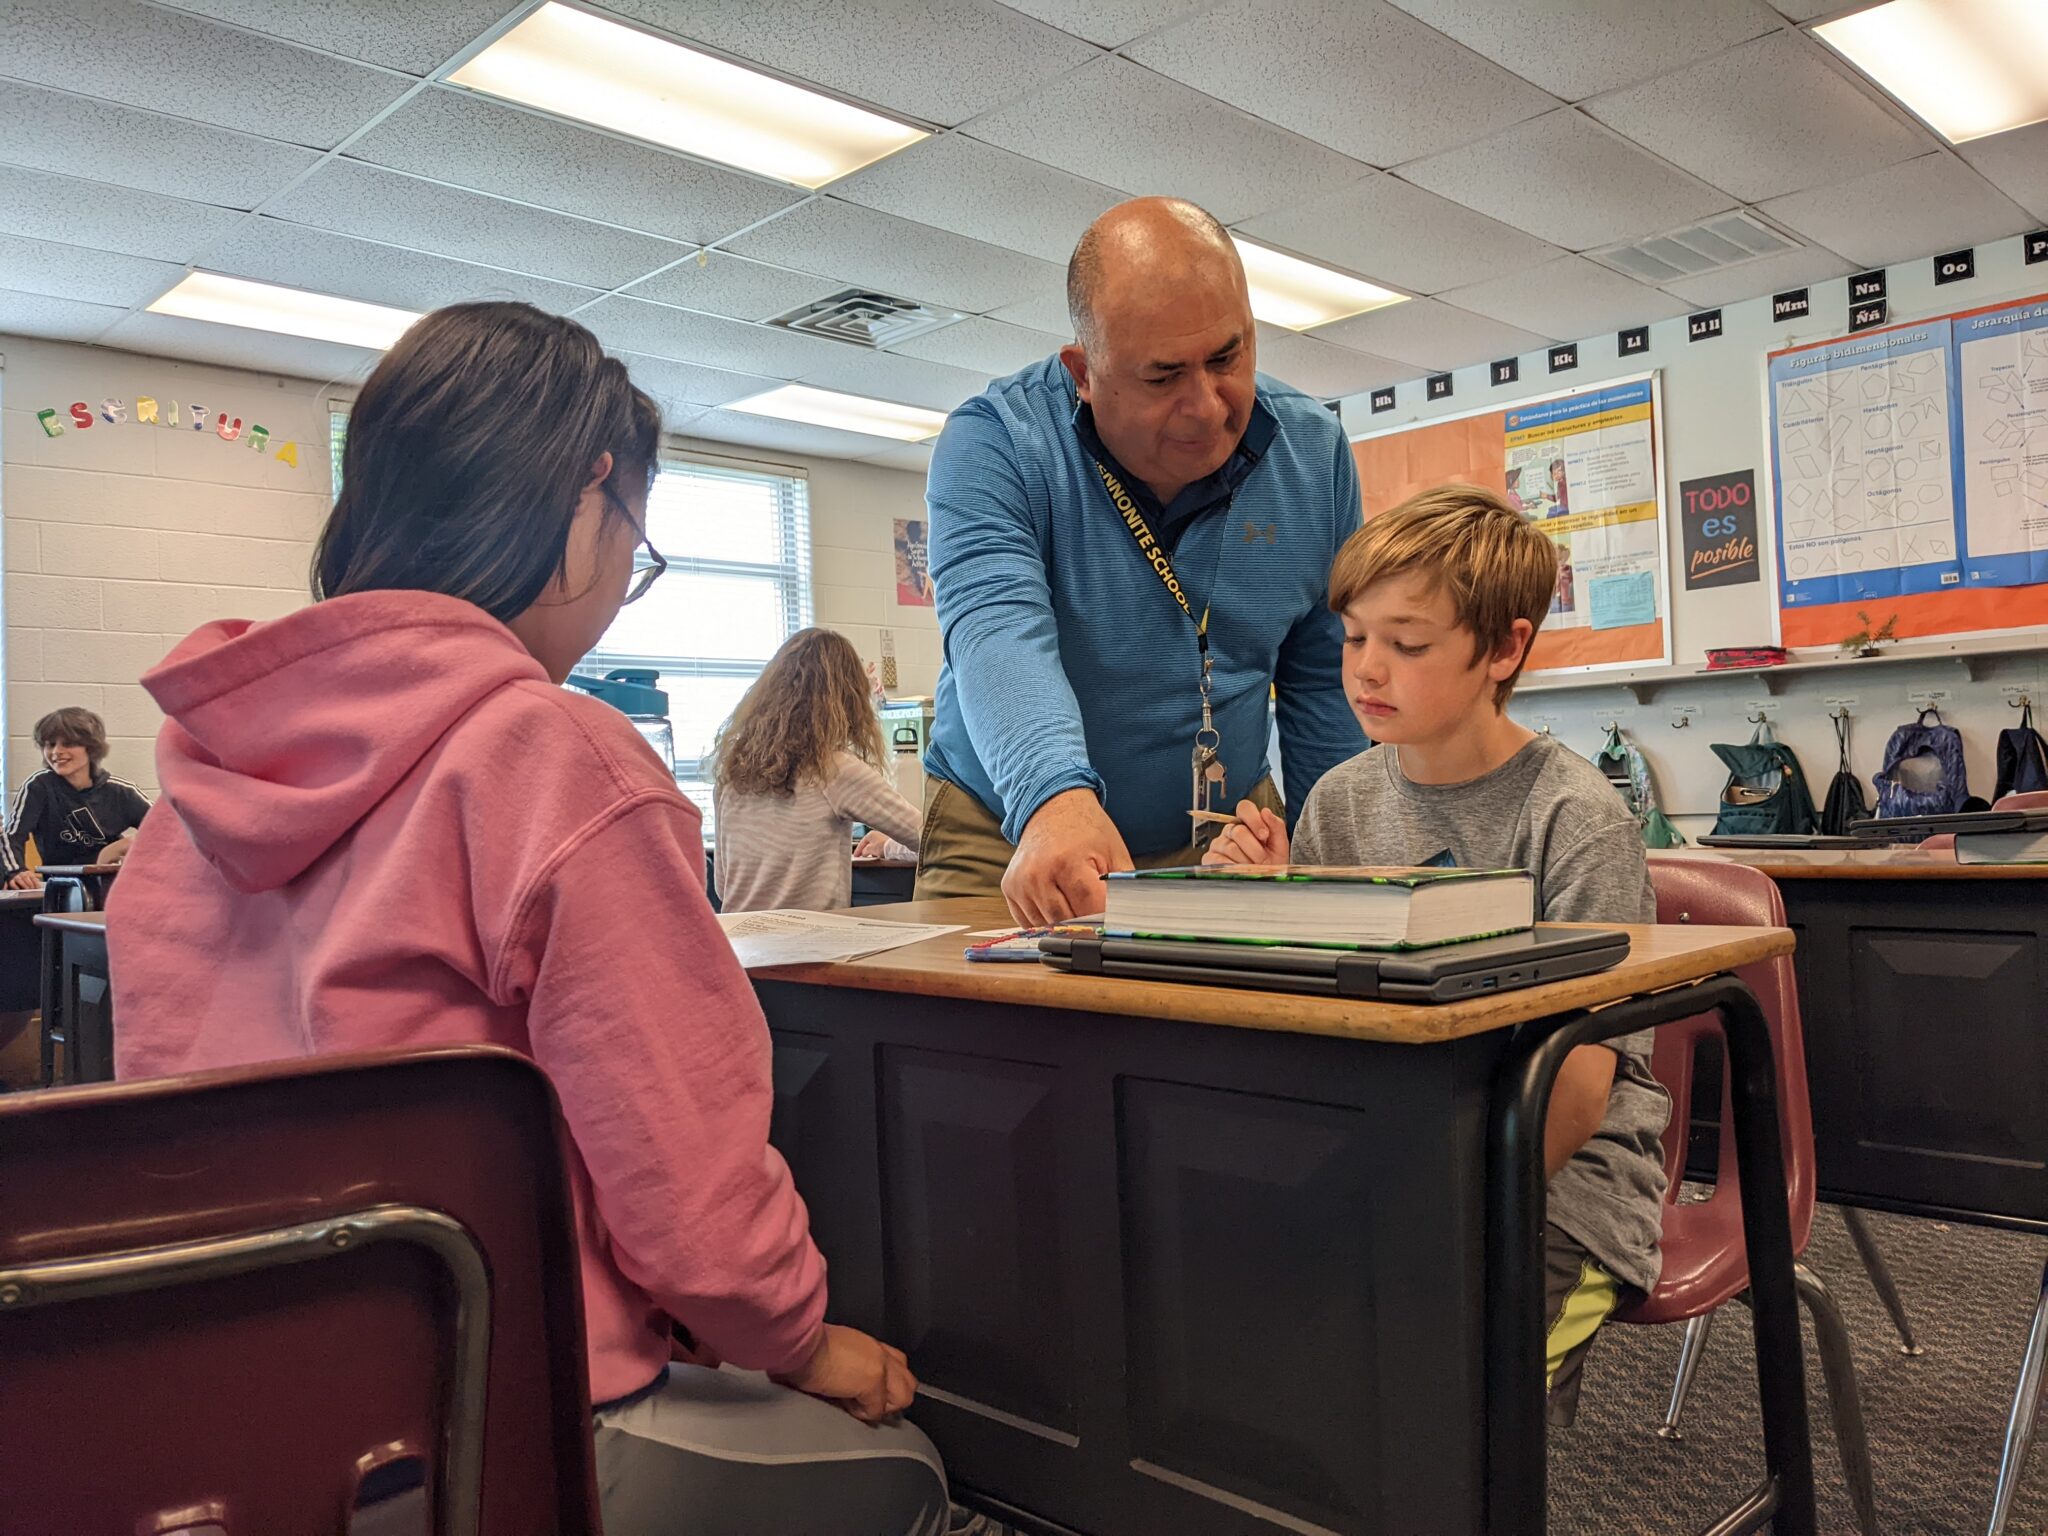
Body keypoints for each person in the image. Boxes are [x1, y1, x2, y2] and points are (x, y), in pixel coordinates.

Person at [106, 302, 949, 1534]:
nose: (620, 590)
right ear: (583, 500)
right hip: (488, 1427)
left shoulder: (193, 792)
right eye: (636, 548)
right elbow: (685, 1188)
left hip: (230, 1435)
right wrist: (801, 1339)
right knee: (910, 1474)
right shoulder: (556, 757)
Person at [1203, 484, 1668, 1424]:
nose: (1368, 670)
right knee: (1250, 1332)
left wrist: (1414, 1203)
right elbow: (1334, 1023)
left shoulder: (1575, 817)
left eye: (1407, 645)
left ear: (1504, 649)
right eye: (1353, 638)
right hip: (1397, 1141)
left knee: (1454, 1406)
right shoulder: (1339, 799)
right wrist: (1276, 908)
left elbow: (1577, 1092)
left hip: (1561, 1177)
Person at [917, 196, 1366, 925]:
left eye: (1227, 358)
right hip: (1017, 826)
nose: (1207, 408)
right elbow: (994, 631)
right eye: (1162, 378)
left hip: (1230, 835)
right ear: (1084, 372)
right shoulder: (995, 444)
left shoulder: (1315, 455)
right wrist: (1052, 796)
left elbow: (1323, 678)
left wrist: (1336, 862)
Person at [713, 627, 921, 912]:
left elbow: (723, 887)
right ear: (848, 700)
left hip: (739, 949)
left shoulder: (732, 773)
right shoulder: (834, 770)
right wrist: (887, 847)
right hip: (809, 946)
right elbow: (935, 840)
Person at [4, 707, 153, 888]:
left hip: (112, 883)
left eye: (67, 743)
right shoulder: (38, 786)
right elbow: (12, 836)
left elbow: (170, 829)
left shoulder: (121, 791)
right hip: (64, 885)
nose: (56, 751)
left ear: (91, 748)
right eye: (49, 744)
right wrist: (16, 871)